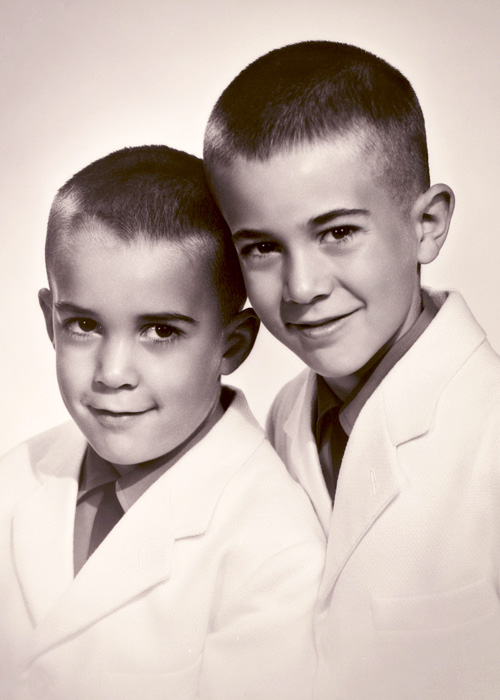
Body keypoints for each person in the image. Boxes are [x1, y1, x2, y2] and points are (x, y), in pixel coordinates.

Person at [203, 41, 500, 699]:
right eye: (261, 247)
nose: (302, 286)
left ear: (427, 225)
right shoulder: (285, 416)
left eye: (337, 232)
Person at [0, 145, 325, 700]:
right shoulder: (14, 476)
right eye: (83, 324)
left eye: (161, 332)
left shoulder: (275, 548)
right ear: (49, 321)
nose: (113, 373)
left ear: (233, 345)